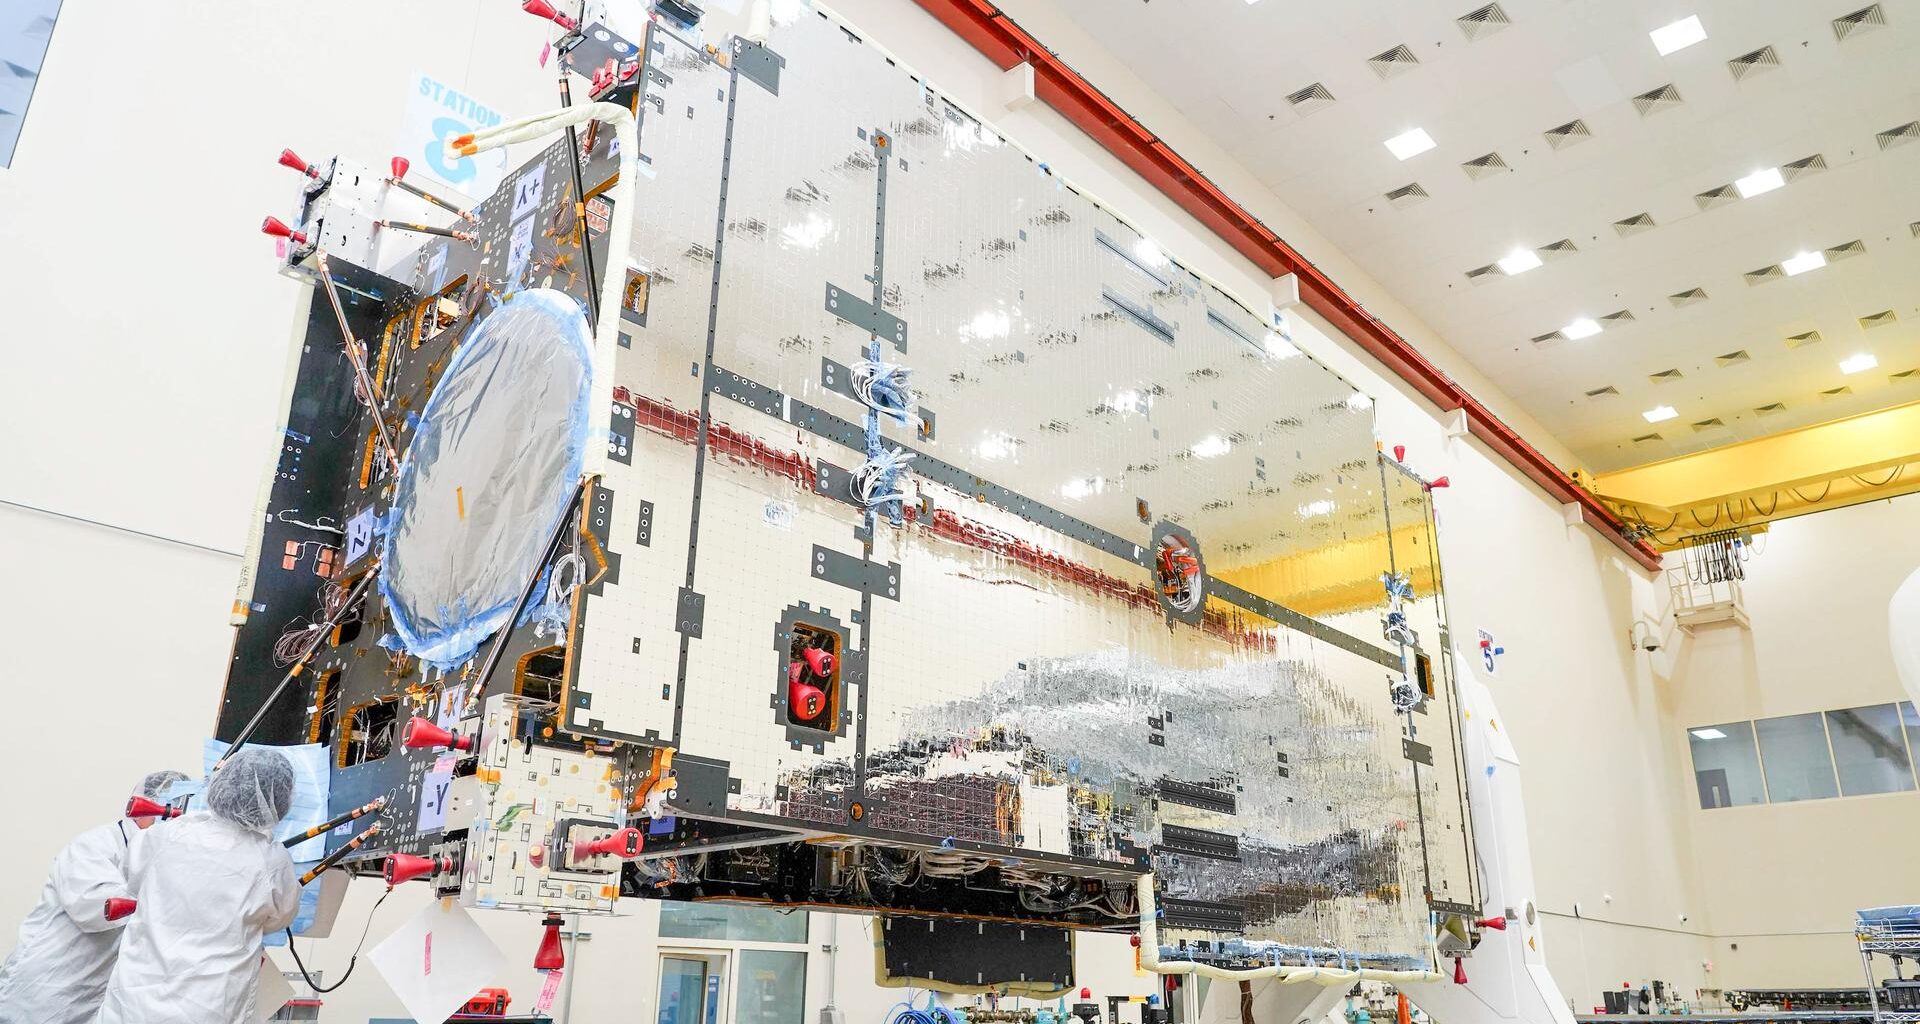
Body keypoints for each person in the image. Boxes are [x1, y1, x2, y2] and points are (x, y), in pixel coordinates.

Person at [94, 748, 302, 1024]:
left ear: (222, 783)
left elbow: (133, 879)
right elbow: (279, 918)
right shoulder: (271, 861)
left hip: (134, 1000)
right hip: (207, 1008)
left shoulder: (167, 835)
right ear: (280, 803)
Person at [0, 769, 189, 1024]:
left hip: (85, 1004)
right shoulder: (96, 845)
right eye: (172, 813)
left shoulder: (158, 862)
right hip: (39, 996)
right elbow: (94, 906)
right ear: (148, 808)